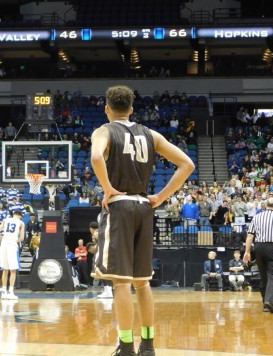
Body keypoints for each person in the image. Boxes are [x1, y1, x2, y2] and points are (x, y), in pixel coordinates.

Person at [90, 85, 195, 356]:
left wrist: (107, 188)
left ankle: (126, 345)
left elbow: (94, 157)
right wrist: (160, 196)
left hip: (121, 206)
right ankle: (148, 345)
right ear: (132, 109)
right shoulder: (150, 134)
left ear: (107, 108)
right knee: (142, 281)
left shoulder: (104, 130)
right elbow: (187, 165)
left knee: (121, 282)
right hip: (144, 206)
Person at [243, 197, 273, 314]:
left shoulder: (257, 217)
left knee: (263, 276)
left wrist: (247, 252)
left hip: (258, 247)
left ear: (265, 205)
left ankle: (265, 304)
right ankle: (269, 301)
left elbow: (250, 236)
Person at [0, 210, 25, 300]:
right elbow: (22, 238)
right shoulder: (21, 223)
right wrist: (15, 240)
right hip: (12, 246)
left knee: (5, 269)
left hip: (4, 245)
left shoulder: (6, 220)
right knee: (13, 270)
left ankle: (4, 292)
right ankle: (11, 292)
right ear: (20, 216)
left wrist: (3, 239)